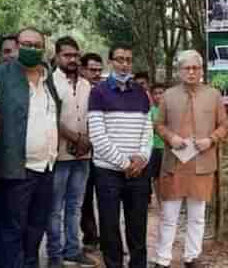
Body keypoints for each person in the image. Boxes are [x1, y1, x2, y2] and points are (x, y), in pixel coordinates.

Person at [0, 27, 61, 268]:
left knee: (35, 230)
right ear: (17, 46)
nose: (32, 49)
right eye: (26, 44)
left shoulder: (48, 78)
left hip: (46, 169)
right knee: (11, 232)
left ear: (43, 49)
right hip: (15, 170)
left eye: (37, 45)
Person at [153, 50, 228, 268]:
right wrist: (170, 137)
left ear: (201, 70)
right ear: (179, 71)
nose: (191, 72)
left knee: (197, 216)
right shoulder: (168, 95)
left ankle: (192, 257)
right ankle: (162, 258)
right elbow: (158, 125)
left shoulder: (213, 95)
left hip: (202, 163)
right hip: (175, 164)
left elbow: (224, 125)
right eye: (187, 68)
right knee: (169, 215)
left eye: (195, 68)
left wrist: (211, 139)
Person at [88, 43, 152, 268]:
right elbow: (97, 136)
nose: (124, 64)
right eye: (119, 59)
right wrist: (125, 163)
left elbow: (148, 130)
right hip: (108, 172)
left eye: (128, 60)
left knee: (138, 226)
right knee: (109, 226)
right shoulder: (98, 92)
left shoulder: (141, 93)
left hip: (138, 171)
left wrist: (142, 158)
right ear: (111, 62)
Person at [47, 38, 97, 268]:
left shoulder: (87, 85)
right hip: (58, 155)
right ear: (57, 57)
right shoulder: (49, 83)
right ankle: (55, 254)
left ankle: (73, 250)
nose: (73, 60)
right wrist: (76, 139)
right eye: (67, 55)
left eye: (76, 55)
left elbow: (93, 118)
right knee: (55, 207)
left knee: (75, 206)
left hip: (83, 155)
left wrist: (87, 142)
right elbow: (50, 118)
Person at [78, 53, 103, 251]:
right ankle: (90, 237)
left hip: (104, 153)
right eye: (92, 70)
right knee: (84, 197)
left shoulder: (105, 91)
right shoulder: (77, 90)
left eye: (99, 70)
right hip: (81, 152)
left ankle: (109, 238)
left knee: (106, 197)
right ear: (82, 69)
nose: (96, 74)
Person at [147, 83, 166, 208]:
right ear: (152, 96)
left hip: (168, 148)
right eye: (156, 93)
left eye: (161, 93)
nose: (158, 96)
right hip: (154, 147)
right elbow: (150, 128)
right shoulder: (150, 111)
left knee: (168, 176)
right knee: (156, 177)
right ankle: (160, 203)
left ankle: (168, 201)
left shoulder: (171, 109)